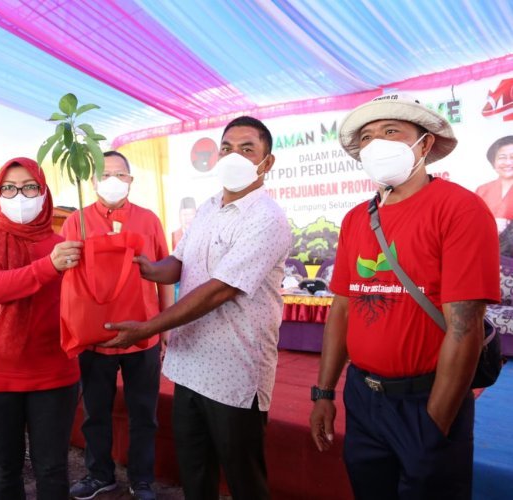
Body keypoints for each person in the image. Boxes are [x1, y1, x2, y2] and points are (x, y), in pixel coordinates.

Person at [309, 94, 500, 499]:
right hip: (363, 398)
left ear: (425, 144)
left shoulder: (459, 209)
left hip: (427, 399)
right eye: (367, 137)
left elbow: (464, 328)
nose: (376, 143)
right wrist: (324, 393)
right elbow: (342, 308)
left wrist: (436, 423)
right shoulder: (355, 218)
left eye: (391, 131)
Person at [101, 116, 292, 499]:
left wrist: (148, 327)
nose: (233, 156)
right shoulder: (207, 208)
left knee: (244, 479)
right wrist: (148, 269)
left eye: (246, 148)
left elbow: (219, 290)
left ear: (266, 163)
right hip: (189, 367)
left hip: (236, 373)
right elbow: (178, 263)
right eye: (226, 148)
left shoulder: (267, 218)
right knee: (195, 472)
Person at [0, 157, 83, 498]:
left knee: (53, 470)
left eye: (30, 187)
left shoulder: (62, 243)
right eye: (10, 188)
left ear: (44, 193)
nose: (20, 195)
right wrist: (49, 267)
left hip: (54, 372)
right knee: (4, 472)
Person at [64, 151, 174, 500]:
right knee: (96, 411)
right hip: (96, 338)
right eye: (105, 174)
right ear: (93, 180)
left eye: (121, 174)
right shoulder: (76, 222)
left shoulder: (148, 220)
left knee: (144, 412)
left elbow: (165, 276)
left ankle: (141, 479)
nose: (113, 180)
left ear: (130, 180)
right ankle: (100, 475)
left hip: (143, 334)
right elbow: (67, 281)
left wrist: (164, 325)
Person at [475, 135, 513, 231]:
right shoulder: (482, 190)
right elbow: (473, 221)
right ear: (493, 162)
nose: (508, 162)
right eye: (502, 157)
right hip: (488, 243)